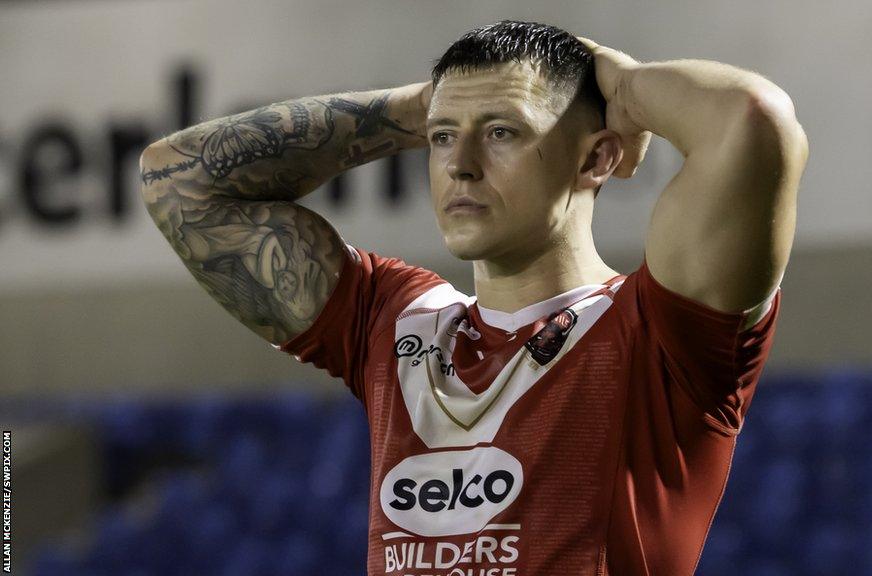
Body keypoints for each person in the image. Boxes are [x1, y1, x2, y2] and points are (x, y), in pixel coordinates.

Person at [139, 19, 808, 576]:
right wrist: (414, 109)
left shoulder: (660, 330)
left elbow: (751, 118)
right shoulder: (392, 319)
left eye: (501, 132)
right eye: (440, 138)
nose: (458, 163)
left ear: (596, 159)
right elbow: (178, 180)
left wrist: (620, 84)